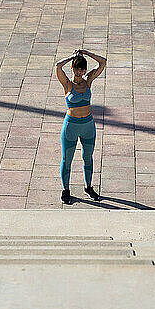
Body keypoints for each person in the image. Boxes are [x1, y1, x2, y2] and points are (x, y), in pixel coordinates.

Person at [54, 49, 107, 204]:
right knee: (67, 159)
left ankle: (88, 187)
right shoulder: (67, 84)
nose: (80, 72)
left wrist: (85, 53)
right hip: (71, 126)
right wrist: (73, 57)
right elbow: (58, 66)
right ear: (72, 68)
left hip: (88, 126)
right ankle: (66, 190)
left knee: (87, 157)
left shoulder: (88, 80)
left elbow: (103, 62)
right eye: (77, 68)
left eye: (82, 69)